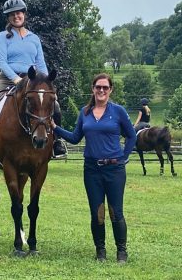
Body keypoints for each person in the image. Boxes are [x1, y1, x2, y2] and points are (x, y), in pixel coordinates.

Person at [51, 73, 136, 263]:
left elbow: (132, 136)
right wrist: (55, 127)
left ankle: (121, 251)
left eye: (105, 87)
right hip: (91, 170)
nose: (102, 90)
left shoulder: (118, 111)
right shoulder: (85, 112)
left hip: (114, 170)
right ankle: (101, 251)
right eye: (98, 87)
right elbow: (75, 137)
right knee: (97, 212)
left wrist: (123, 157)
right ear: (93, 89)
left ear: (110, 90)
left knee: (116, 211)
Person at [0, 0, 67, 158]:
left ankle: (57, 142)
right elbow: (2, 62)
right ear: (8, 18)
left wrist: (47, 82)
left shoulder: (34, 39)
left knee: (55, 105)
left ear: (24, 14)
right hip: (7, 78)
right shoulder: (2, 37)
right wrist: (15, 79)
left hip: (32, 80)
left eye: (19, 13)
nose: (16, 16)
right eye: (12, 14)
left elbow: (41, 64)